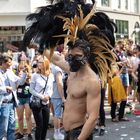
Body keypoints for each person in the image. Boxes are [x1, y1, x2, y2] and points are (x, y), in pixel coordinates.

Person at [0, 53, 27, 140]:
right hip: (3, 104)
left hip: (12, 103)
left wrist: (25, 74)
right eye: (9, 62)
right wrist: (5, 88)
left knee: (11, 127)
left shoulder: (10, 71)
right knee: (3, 128)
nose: (11, 64)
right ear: (2, 63)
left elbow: (20, 82)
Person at [29, 56, 54, 140]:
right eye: (38, 62)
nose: (38, 64)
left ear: (45, 63)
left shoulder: (50, 75)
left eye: (40, 62)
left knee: (45, 125)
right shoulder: (35, 75)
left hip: (46, 103)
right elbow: (31, 90)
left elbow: (51, 89)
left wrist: (48, 96)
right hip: (36, 103)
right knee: (40, 125)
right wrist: (42, 96)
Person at [15, 61, 33, 140]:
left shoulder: (30, 76)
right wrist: (21, 77)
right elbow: (19, 84)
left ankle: (29, 133)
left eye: (24, 68)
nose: (22, 70)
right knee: (20, 117)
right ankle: (21, 132)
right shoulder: (16, 75)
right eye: (20, 68)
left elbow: (31, 84)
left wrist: (27, 76)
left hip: (28, 98)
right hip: (19, 98)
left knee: (28, 116)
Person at [51, 64, 65, 140]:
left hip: (51, 94)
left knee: (55, 114)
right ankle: (57, 133)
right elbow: (59, 83)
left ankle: (56, 132)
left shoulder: (50, 67)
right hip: (57, 95)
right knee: (57, 115)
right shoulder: (57, 69)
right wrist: (62, 97)